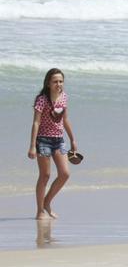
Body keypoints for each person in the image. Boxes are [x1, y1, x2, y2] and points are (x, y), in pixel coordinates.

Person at [27, 68, 78, 220]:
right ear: (48, 83)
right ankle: (39, 211)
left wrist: (73, 139)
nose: (58, 84)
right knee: (45, 175)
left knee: (65, 174)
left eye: (61, 81)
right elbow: (36, 123)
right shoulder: (42, 99)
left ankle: (47, 202)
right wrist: (32, 146)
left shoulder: (64, 97)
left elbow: (65, 119)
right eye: (55, 81)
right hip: (43, 140)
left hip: (59, 140)